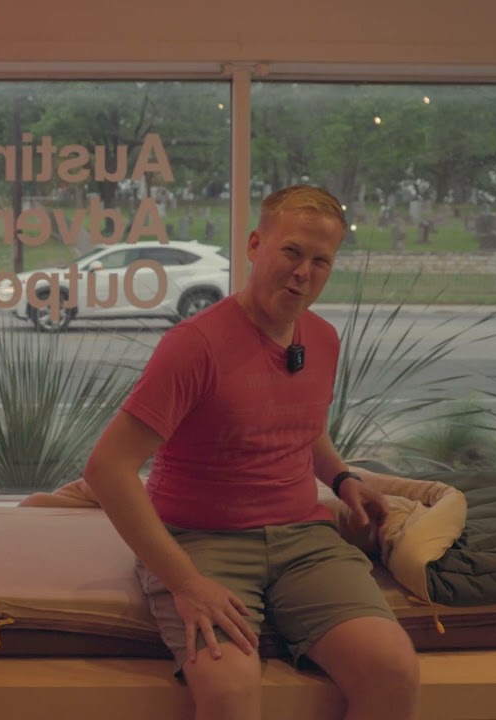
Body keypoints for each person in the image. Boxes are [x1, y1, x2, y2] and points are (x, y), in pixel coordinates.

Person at [82, 185, 419, 720]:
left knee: (393, 668)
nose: (303, 272)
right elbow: (107, 469)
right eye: (291, 252)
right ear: (255, 245)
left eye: (320, 261)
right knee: (229, 693)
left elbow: (302, 428)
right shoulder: (195, 345)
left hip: (303, 539)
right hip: (200, 541)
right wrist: (186, 584)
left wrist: (343, 479)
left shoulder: (322, 339)